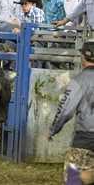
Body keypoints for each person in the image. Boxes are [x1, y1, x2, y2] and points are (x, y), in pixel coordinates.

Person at [48, 39, 94, 183]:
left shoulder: (78, 81)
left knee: (72, 178)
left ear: (83, 58)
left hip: (85, 138)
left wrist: (53, 130)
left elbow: (65, 110)